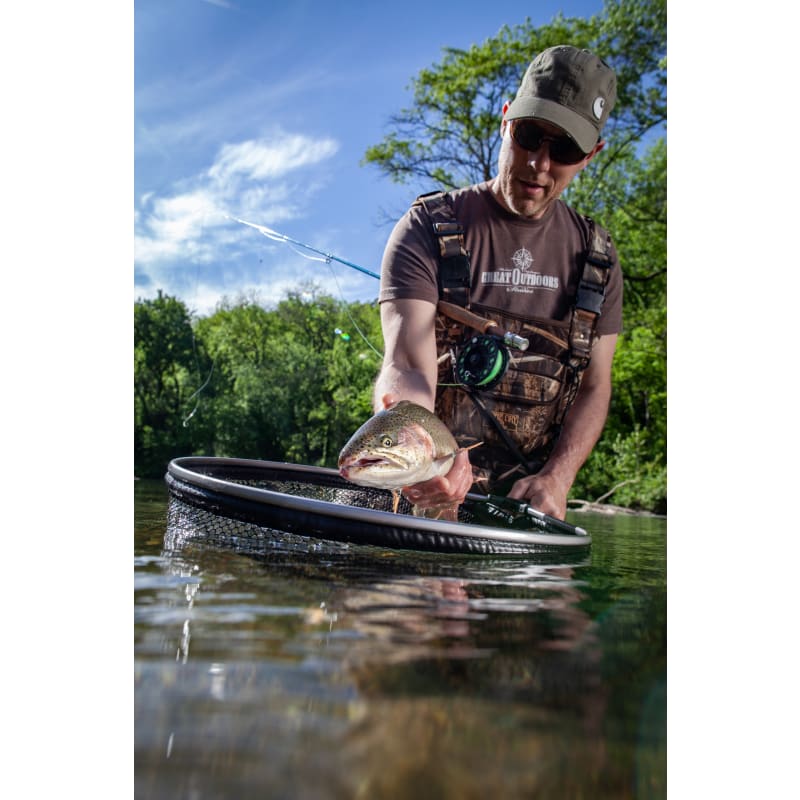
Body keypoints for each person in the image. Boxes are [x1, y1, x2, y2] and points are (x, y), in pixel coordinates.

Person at [372, 45, 623, 521]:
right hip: (424, 496)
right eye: (529, 136)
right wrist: (425, 447)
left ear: (591, 155)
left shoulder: (600, 259)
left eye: (565, 150)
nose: (539, 164)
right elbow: (406, 363)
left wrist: (559, 478)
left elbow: (595, 388)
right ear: (506, 120)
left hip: (530, 511)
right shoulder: (427, 227)